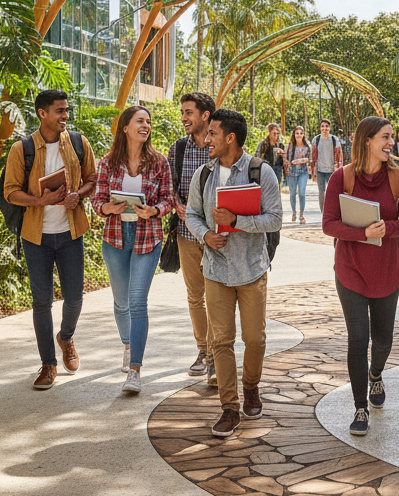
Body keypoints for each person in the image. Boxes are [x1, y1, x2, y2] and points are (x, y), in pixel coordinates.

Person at [186, 108, 283, 438]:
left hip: (252, 270)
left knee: (254, 339)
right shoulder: (204, 174)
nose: (206, 138)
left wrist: (236, 222)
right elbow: (192, 215)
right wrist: (205, 235)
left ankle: (251, 386)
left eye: (212, 133)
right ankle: (229, 408)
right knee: (221, 341)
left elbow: (275, 219)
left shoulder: (261, 172)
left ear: (230, 138)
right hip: (215, 270)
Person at [322, 117, 399, 436]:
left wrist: (386, 229)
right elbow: (328, 224)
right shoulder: (342, 177)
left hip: (388, 271)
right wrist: (362, 233)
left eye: (391, 137)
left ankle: (376, 374)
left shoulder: (398, 177)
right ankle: (360, 407)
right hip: (350, 270)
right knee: (358, 338)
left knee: (384, 340)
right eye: (385, 137)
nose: (391, 142)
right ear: (367, 141)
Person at [3, 89, 97, 390]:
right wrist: (39, 200)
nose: (65, 116)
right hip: (36, 238)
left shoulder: (80, 143)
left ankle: (66, 337)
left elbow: (93, 180)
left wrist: (76, 195)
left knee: (75, 299)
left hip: (70, 234)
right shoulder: (23, 149)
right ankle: (48, 365)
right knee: (41, 303)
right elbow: (10, 192)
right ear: (42, 113)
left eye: (66, 110)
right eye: (59, 111)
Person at [92, 106, 174, 394]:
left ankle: (135, 371)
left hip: (147, 237)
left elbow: (168, 199)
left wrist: (154, 210)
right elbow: (97, 199)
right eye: (140, 121)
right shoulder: (107, 163)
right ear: (125, 127)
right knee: (121, 302)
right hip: (115, 237)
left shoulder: (159, 162)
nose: (146, 125)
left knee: (138, 301)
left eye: (148, 121)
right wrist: (106, 207)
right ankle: (128, 345)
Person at [167, 92, 216, 382]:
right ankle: (203, 351)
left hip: (216, 235)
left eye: (189, 112)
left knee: (216, 296)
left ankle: (215, 354)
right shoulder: (179, 149)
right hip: (186, 234)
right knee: (195, 295)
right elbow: (169, 185)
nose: (184, 118)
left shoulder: (219, 145)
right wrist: (175, 202)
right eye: (183, 112)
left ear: (205, 115)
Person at [312, 118, 344, 210]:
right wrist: (313, 173)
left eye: (326, 126)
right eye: (322, 126)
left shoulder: (334, 140)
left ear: (329, 128)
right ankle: (323, 212)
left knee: (332, 192)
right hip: (320, 171)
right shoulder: (316, 140)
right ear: (320, 128)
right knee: (321, 192)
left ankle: (332, 210)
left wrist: (339, 170)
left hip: (331, 171)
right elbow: (313, 157)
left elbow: (339, 157)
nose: (324, 128)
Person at [285, 125, 312, 223]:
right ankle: (294, 212)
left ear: (303, 135)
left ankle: (301, 215)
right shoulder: (290, 146)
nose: (299, 135)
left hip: (303, 172)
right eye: (297, 133)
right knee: (292, 194)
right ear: (294, 134)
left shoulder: (307, 146)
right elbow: (287, 159)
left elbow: (310, 159)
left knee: (301, 193)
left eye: (301, 133)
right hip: (292, 172)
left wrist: (300, 160)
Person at [255, 123, 286, 188]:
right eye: (274, 133)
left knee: (276, 188)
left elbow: (286, 159)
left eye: (277, 133)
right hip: (266, 168)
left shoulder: (280, 145)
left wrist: (282, 154)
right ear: (269, 132)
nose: (276, 135)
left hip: (278, 169)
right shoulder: (263, 144)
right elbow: (257, 157)